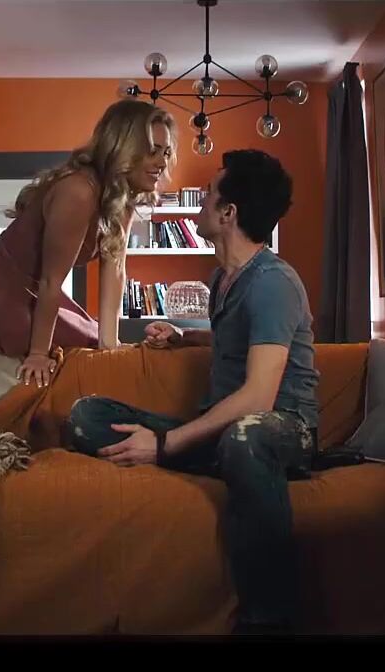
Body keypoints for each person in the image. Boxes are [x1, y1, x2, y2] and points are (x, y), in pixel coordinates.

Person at [65, 149, 319, 634]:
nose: (201, 201)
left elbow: (259, 398)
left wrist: (164, 445)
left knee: (244, 437)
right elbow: (238, 343)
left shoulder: (274, 283)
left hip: (283, 429)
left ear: (228, 214)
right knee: (86, 416)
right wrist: (185, 338)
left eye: (208, 193)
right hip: (225, 431)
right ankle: (215, 458)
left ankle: (269, 621)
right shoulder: (223, 277)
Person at [0, 99, 178, 387]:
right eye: (152, 151)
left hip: (40, 298)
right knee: (71, 361)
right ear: (123, 148)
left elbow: (115, 270)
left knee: (96, 349)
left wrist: (110, 343)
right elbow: (50, 280)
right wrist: (38, 353)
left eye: (166, 152)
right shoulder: (79, 191)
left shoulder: (122, 200)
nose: (162, 162)